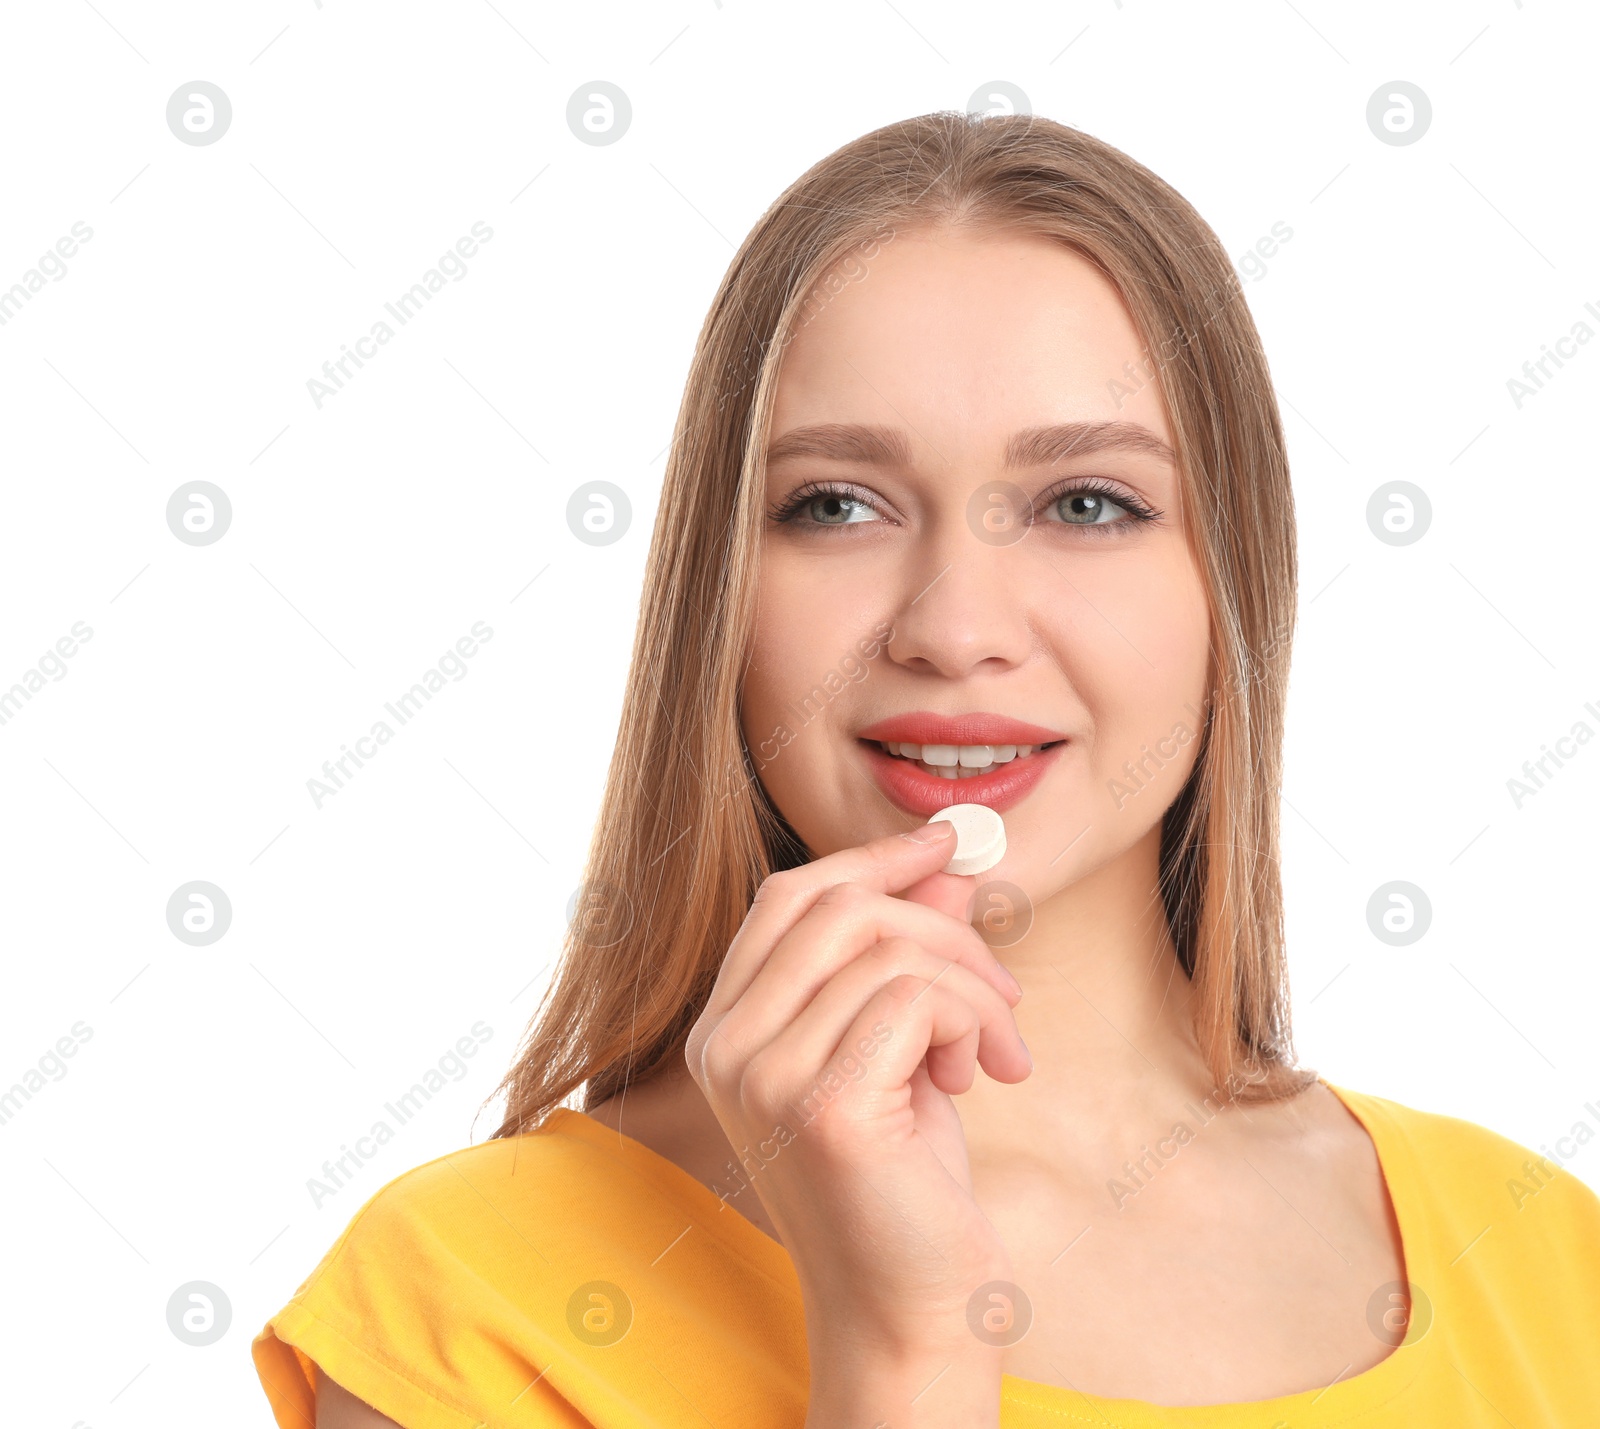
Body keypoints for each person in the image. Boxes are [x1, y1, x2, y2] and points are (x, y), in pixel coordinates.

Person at [253, 111, 1600, 1428]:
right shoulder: (482, 1305)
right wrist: (907, 1351)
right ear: (718, 595)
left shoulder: (1548, 1259)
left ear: (1229, 586)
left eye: (1089, 504)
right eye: (836, 504)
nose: (955, 629)